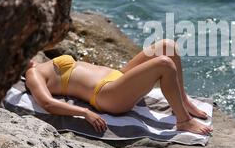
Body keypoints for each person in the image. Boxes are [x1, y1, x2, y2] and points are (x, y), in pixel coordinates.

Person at [24, 39, 213, 135]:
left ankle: (183, 100)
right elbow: (47, 104)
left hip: (117, 77)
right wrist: (85, 113)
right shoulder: (33, 75)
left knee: (167, 46)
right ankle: (183, 121)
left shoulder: (39, 64)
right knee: (164, 63)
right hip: (107, 95)